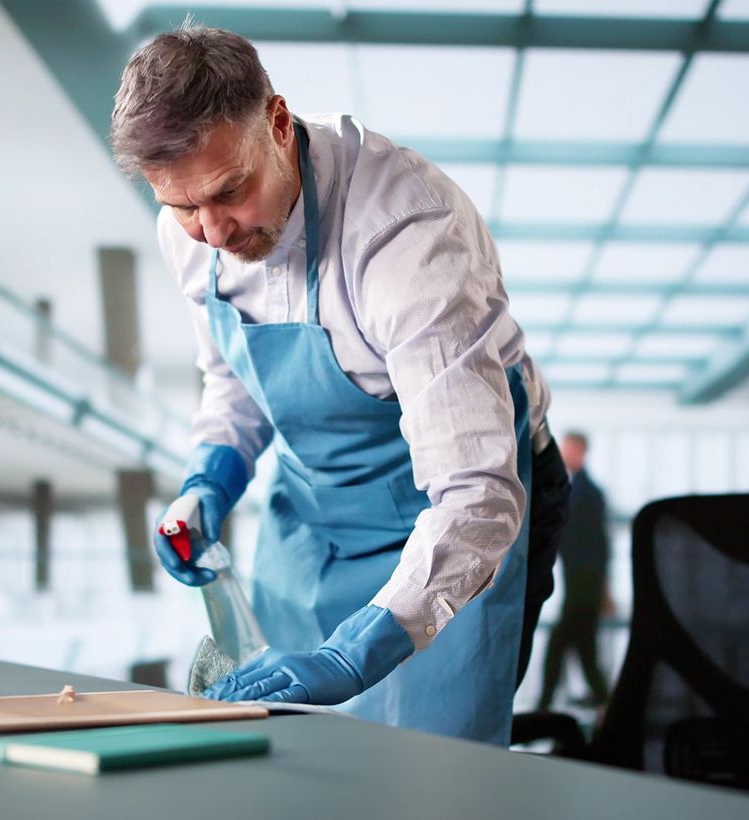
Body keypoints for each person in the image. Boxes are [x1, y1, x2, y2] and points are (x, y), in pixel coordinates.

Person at [111, 23, 570, 744]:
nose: (213, 232)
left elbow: (476, 491)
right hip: (314, 514)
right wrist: (209, 481)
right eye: (181, 207)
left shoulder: (407, 234)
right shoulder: (194, 231)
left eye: (230, 192)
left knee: (430, 769)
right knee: (287, 750)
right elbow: (235, 377)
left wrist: (354, 652)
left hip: (457, 512)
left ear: (277, 122)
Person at [537, 431, 612, 712]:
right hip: (582, 582)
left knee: (560, 643)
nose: (564, 452)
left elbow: (594, 544)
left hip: (584, 583)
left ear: (579, 450)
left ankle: (544, 702)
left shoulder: (584, 492)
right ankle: (602, 697)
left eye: (568, 447)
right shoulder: (581, 489)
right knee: (583, 645)